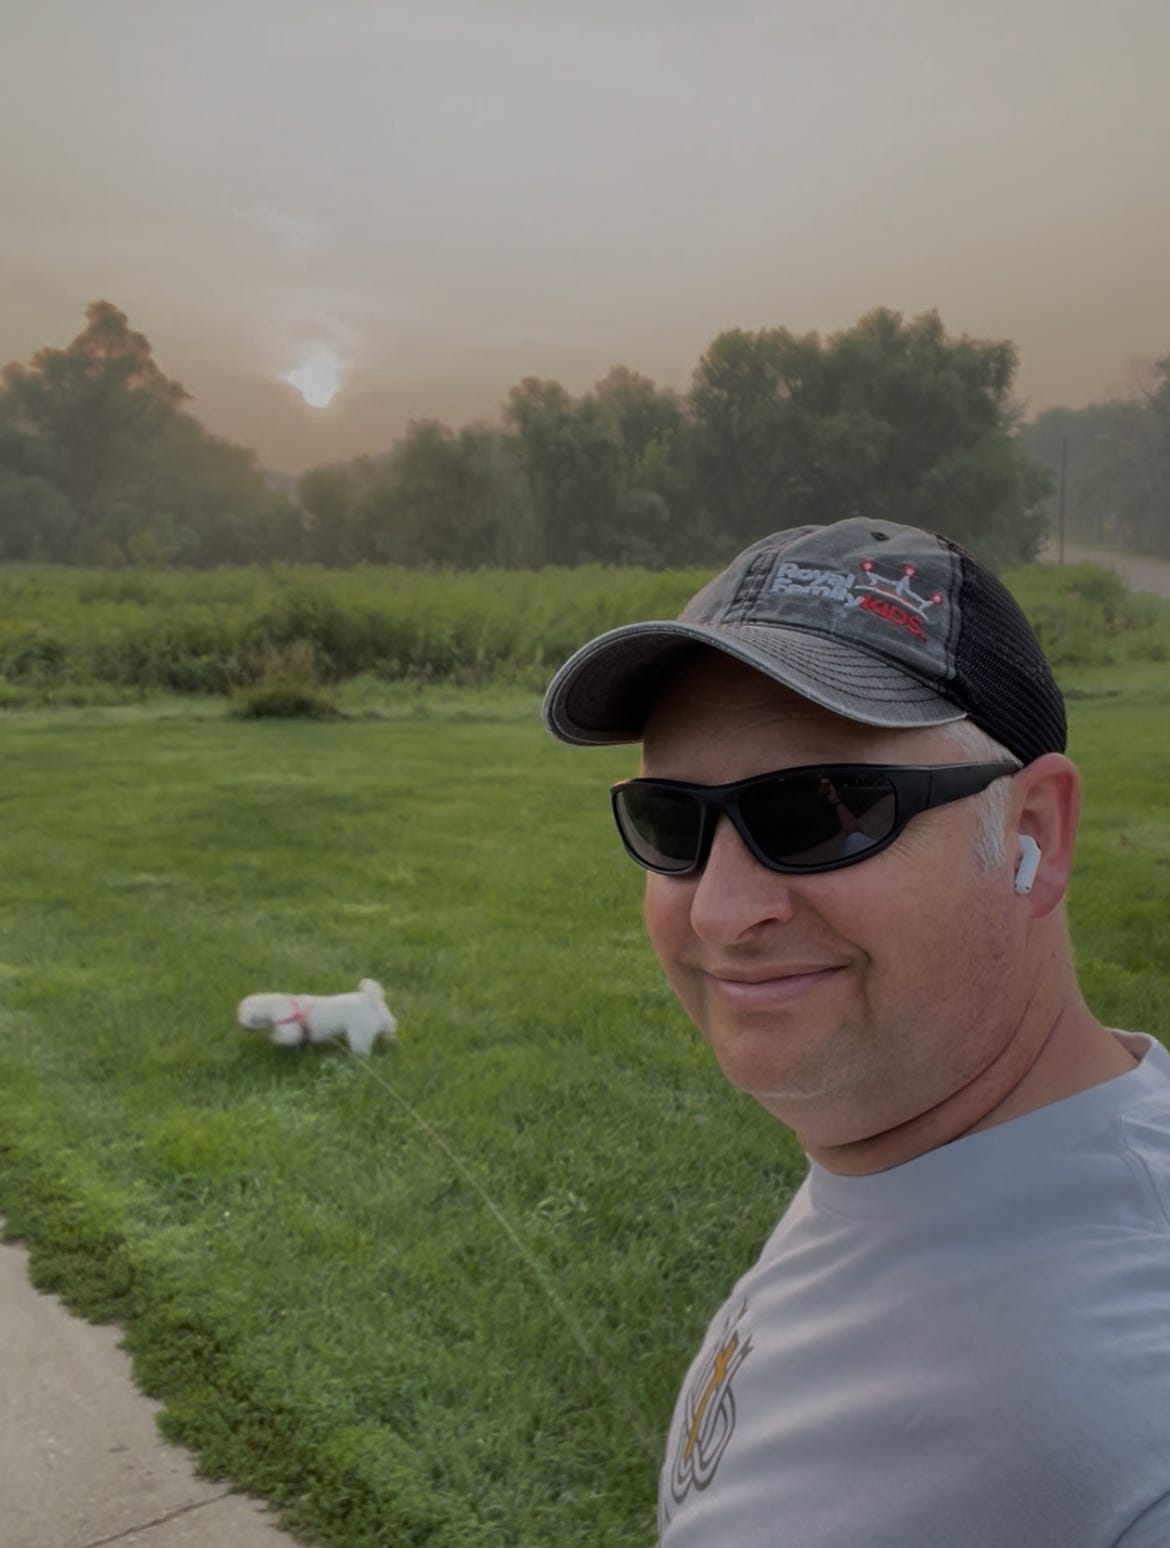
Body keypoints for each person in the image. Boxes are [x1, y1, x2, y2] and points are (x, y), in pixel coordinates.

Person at [542, 518, 1170, 1548]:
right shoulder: (918, 1149)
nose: (719, 911)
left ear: (1035, 835)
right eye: (671, 821)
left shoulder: (1133, 1414)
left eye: (822, 812)